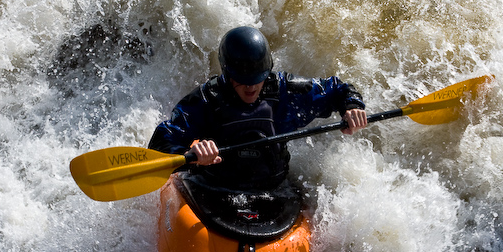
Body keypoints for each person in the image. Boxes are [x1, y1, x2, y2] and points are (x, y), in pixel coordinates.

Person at [148, 26, 368, 190]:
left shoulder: (284, 91)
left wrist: (351, 106)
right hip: (214, 188)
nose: (251, 85)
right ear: (227, 72)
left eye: (257, 78)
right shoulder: (205, 100)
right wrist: (190, 155)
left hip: (273, 190)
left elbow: (337, 89)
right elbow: (160, 146)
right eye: (243, 79)